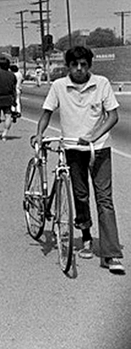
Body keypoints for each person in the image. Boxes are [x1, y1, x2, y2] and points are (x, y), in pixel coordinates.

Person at [34, 46, 124, 274]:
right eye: (75, 65)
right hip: (73, 149)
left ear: (89, 66)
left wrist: (94, 135)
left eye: (84, 65)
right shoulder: (59, 86)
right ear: (68, 66)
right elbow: (46, 113)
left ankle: (111, 254)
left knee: (104, 199)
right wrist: (39, 134)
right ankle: (85, 236)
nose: (79, 69)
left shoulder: (101, 83)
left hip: (99, 149)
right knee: (80, 195)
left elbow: (113, 115)